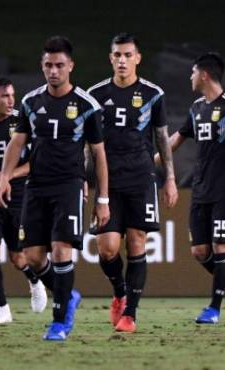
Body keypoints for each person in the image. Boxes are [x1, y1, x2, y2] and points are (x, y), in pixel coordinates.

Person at [0, 36, 110, 341]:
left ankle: (59, 322)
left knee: (61, 251)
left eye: (60, 65)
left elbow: (98, 153)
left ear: (70, 66)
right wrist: (5, 177)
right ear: (42, 66)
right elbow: (17, 142)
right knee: (32, 257)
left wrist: (102, 199)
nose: (54, 70)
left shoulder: (87, 105)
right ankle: (68, 295)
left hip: (69, 186)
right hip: (36, 187)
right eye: (48, 65)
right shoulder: (31, 102)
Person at [156, 52, 225, 324]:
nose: (189, 77)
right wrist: (147, 161)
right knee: (200, 252)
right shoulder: (196, 108)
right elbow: (175, 141)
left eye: (192, 72)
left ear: (204, 74)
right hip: (200, 189)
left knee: (220, 245)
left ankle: (214, 309)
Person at [87, 33, 178, 333]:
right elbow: (87, 145)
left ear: (138, 58)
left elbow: (162, 138)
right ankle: (118, 291)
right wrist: (85, 182)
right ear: (110, 58)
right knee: (108, 248)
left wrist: (170, 179)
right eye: (117, 55)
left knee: (137, 242)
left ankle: (131, 315)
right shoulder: (95, 95)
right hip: (107, 182)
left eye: (128, 55)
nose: (122, 60)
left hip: (141, 179)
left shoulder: (153, 94)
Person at [0, 77, 47, 324]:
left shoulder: (22, 120)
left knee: (19, 258)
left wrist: (6, 176)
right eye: (5, 96)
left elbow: (35, 160)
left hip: (19, 195)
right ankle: (2, 309)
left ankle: (35, 280)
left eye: (12, 95)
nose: (11, 100)